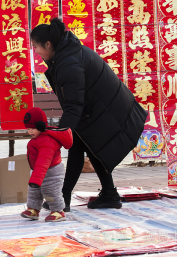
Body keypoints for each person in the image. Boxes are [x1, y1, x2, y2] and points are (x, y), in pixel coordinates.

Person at [30, 18, 147, 211]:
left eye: (36, 47)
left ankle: (66, 198)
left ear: (48, 44)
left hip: (105, 108)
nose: (36, 51)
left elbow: (74, 104)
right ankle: (106, 194)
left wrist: (61, 134)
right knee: (86, 146)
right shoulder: (66, 54)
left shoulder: (68, 62)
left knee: (81, 146)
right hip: (98, 108)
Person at [20, 107, 73, 222]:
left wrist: (36, 179)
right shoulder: (38, 138)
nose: (30, 132)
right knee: (34, 191)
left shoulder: (47, 141)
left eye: (33, 128)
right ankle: (33, 209)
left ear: (40, 126)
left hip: (51, 171)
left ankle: (58, 211)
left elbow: (43, 161)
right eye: (28, 128)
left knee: (51, 191)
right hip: (39, 172)